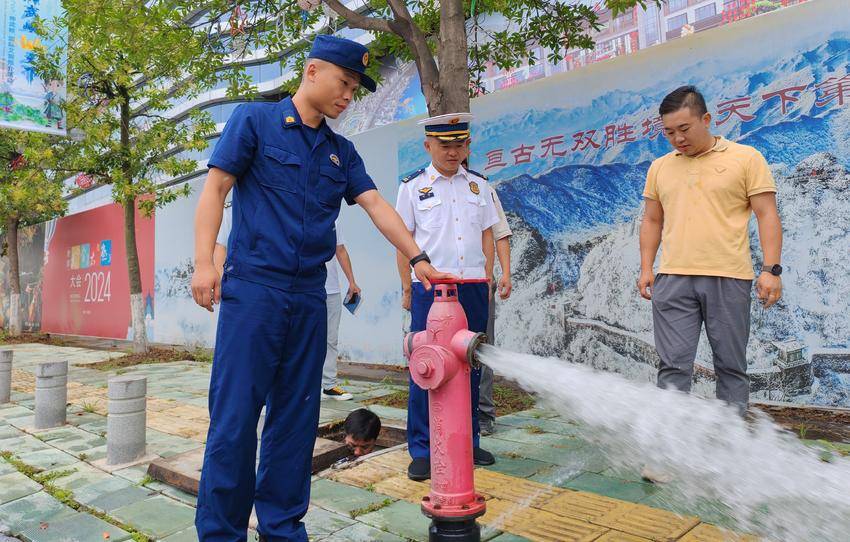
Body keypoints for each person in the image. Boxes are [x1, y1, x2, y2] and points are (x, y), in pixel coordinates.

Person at [191, 34, 450, 541]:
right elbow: (216, 188)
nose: (348, 96)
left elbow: (375, 204)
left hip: (309, 297)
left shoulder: (340, 152)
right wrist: (204, 263)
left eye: (355, 89)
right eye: (344, 83)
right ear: (312, 71)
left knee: (295, 420)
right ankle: (221, 533)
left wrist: (419, 258)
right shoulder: (254, 121)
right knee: (235, 419)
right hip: (254, 292)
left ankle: (283, 527)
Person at [638, 85, 783, 418]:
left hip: (728, 276)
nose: (678, 138)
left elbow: (767, 215)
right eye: (669, 132)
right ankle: (671, 439)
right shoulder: (659, 167)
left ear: (706, 119)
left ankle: (730, 440)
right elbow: (652, 220)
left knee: (730, 366)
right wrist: (647, 267)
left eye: (684, 128)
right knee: (673, 366)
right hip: (673, 277)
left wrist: (771, 270)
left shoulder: (746, 158)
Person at [395, 112, 498, 481]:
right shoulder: (412, 187)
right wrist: (407, 287)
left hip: (473, 287)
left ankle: (468, 442)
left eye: (460, 144)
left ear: (468, 145)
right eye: (444, 145)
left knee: (471, 365)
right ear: (428, 146)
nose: (453, 152)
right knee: (427, 367)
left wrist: (488, 276)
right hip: (432, 290)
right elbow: (403, 241)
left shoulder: (479, 186)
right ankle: (423, 449)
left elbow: (487, 233)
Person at [480, 187, 512, 435]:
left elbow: (500, 234)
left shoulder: (483, 190)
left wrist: (506, 273)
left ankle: (483, 414)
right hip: (441, 285)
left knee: (482, 349)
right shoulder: (421, 186)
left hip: (480, 284)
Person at [321, 220, 360, 401]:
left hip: (331, 289)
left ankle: (329, 385)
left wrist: (352, 281)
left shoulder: (331, 218)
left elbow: (341, 249)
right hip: (304, 288)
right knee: (299, 338)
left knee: (330, 339)